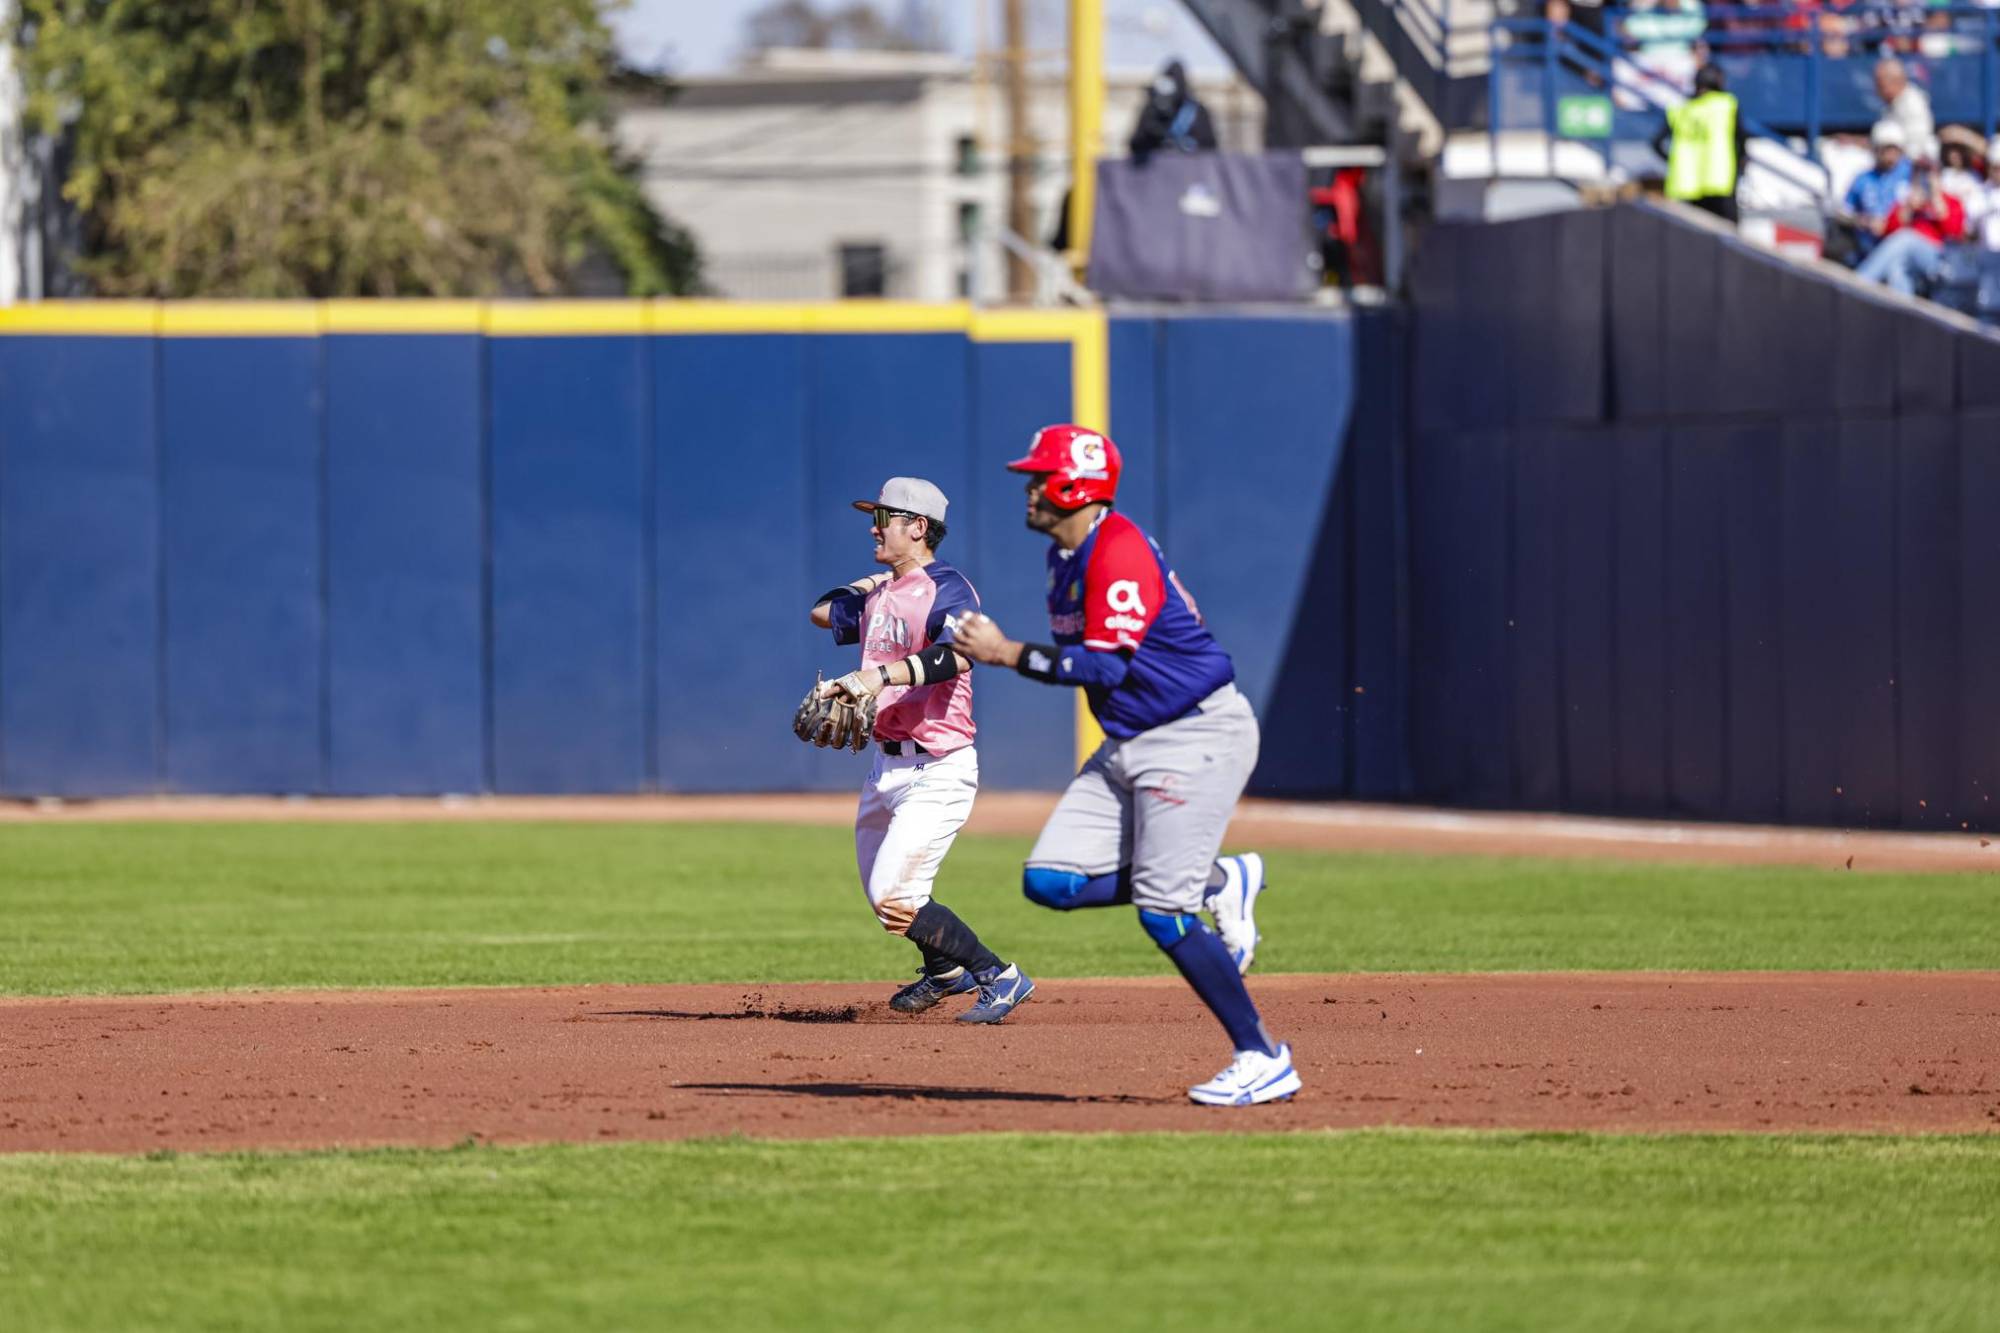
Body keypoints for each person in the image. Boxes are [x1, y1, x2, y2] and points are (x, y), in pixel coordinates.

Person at [952, 425, 1293, 1108]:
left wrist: (1006, 653)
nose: (1029, 488)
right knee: (1049, 880)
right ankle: (1221, 878)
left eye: (1040, 477)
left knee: (1163, 913)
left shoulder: (1118, 551)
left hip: (1194, 734)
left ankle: (1262, 1055)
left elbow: (1107, 664)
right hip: (1131, 739)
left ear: (1075, 488)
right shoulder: (1064, 553)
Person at [811, 478, 1033, 1023]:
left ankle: (999, 976)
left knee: (897, 894)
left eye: (883, 517)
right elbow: (822, 610)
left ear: (917, 526)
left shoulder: (949, 587)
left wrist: (875, 676)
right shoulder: (883, 594)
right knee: (884, 901)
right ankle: (944, 971)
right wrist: (883, 576)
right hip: (884, 766)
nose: (873, 526)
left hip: (937, 767)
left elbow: (957, 655)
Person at [1855, 148, 1967, 294]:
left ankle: (1860, 282)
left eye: (1928, 172)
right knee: (1895, 267)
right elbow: (1888, 234)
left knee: (1906, 238)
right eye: (1919, 172)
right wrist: (1907, 208)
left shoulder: (1952, 201)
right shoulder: (1907, 201)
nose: (1924, 177)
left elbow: (1954, 233)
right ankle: (1903, 309)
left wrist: (1936, 198)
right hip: (1911, 262)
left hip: (1939, 259)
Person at [1656, 64, 1747, 222]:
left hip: (1686, 185)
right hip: (1720, 181)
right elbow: (1741, 140)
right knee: (1730, 240)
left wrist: (1674, 161)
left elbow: (1656, 143)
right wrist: (1741, 164)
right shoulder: (1726, 104)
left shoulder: (1681, 108)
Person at [1840, 119, 1914, 263]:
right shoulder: (1863, 179)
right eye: (1886, 150)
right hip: (1867, 246)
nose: (1891, 156)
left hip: (1899, 248)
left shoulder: (1910, 174)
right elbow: (1843, 213)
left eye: (1895, 150)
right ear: (1876, 150)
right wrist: (1863, 221)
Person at [1127, 59, 1217, 166]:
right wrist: (1153, 131)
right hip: (1156, 172)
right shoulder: (1151, 110)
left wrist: (1184, 144)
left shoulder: (1196, 111)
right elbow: (1136, 145)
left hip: (1189, 171)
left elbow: (1210, 147)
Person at [1874, 57, 1934, 151]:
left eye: (1880, 84)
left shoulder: (1912, 103)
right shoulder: (1893, 103)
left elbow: (1916, 145)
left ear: (1896, 81)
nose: (1877, 89)